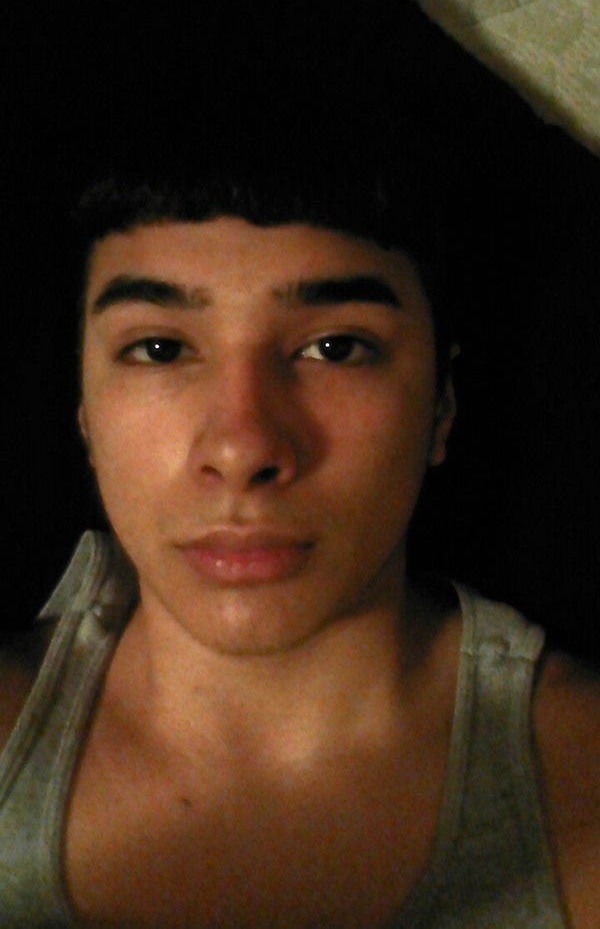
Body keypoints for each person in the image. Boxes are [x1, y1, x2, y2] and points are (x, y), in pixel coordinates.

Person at [0, 116, 599, 929]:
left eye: (336, 347)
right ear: (83, 410)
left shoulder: (582, 783)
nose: (241, 446)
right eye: (160, 349)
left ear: (442, 405)